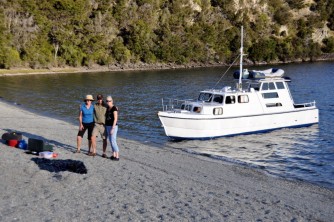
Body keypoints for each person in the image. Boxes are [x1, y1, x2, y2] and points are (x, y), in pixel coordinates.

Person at [105, 95, 120, 161]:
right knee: (111, 141)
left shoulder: (114, 108)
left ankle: (117, 156)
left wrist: (113, 128)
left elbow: (115, 119)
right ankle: (113, 155)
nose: (108, 102)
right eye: (107, 101)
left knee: (113, 141)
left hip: (113, 126)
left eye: (109, 101)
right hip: (108, 125)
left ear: (112, 101)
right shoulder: (107, 108)